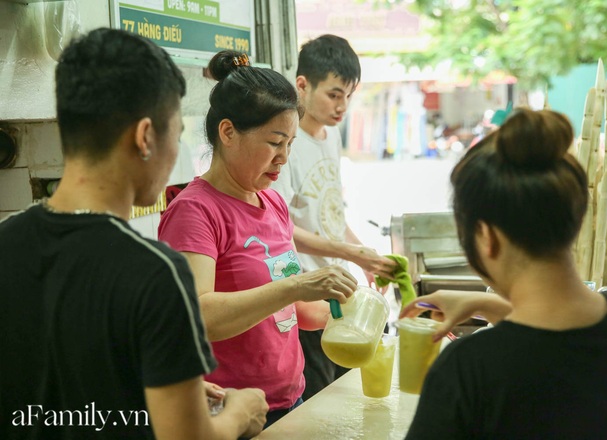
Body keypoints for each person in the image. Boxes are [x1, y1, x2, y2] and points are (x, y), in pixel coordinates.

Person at [0, 29, 269, 440]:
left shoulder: (7, 243)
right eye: (176, 134)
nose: (176, 150)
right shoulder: (156, 272)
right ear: (145, 137)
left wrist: (166, 386)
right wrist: (240, 413)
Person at [401, 108, 607, 439]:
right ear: (576, 216)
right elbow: (559, 344)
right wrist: (484, 305)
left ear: (486, 237)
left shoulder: (469, 369)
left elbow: (538, 349)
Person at [157, 50, 358, 428]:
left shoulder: (273, 203)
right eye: (274, 142)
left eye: (290, 144)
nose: (283, 157)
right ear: (228, 132)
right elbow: (198, 316)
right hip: (230, 417)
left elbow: (294, 311)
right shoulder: (195, 211)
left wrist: (352, 310)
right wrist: (300, 284)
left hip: (290, 401)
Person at [269, 34, 398, 399]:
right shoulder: (287, 146)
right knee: (319, 399)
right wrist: (351, 254)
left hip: (337, 295)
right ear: (303, 85)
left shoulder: (330, 137)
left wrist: (365, 256)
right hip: (305, 297)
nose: (342, 106)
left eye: (347, 96)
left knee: (347, 392)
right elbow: (282, 230)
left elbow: (331, 216)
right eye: (333, 94)